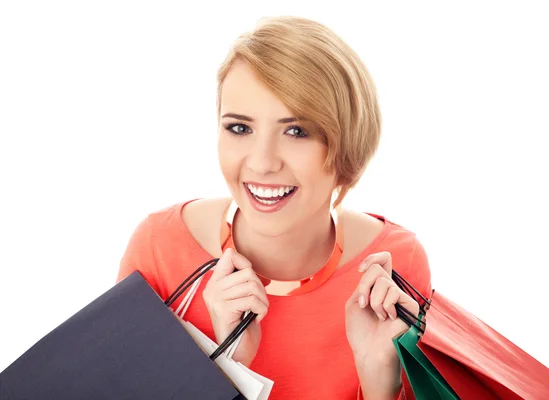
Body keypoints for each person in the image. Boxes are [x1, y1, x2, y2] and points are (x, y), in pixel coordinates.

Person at [118, 15, 432, 400]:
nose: (262, 162)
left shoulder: (395, 266)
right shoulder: (160, 249)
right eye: (239, 128)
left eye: (296, 131)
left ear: (347, 145)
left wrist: (378, 380)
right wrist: (224, 364)